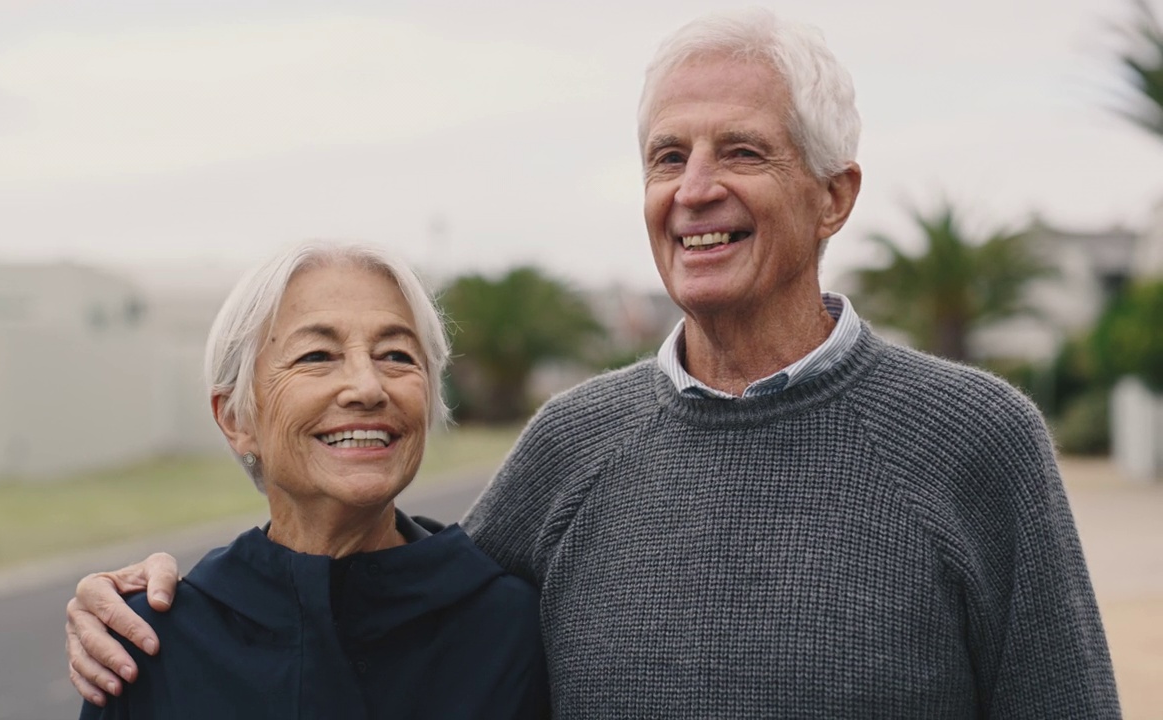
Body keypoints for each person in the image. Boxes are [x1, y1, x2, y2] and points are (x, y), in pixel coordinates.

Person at [67, 9, 1121, 717]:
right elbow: (386, 601)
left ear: (833, 195)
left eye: (739, 152)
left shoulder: (975, 440)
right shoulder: (572, 447)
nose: (692, 189)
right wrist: (148, 597)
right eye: (667, 157)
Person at [74, 242, 548, 719]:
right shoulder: (151, 646)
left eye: (397, 355)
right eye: (317, 354)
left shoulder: (513, 628)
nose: (367, 387)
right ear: (237, 418)